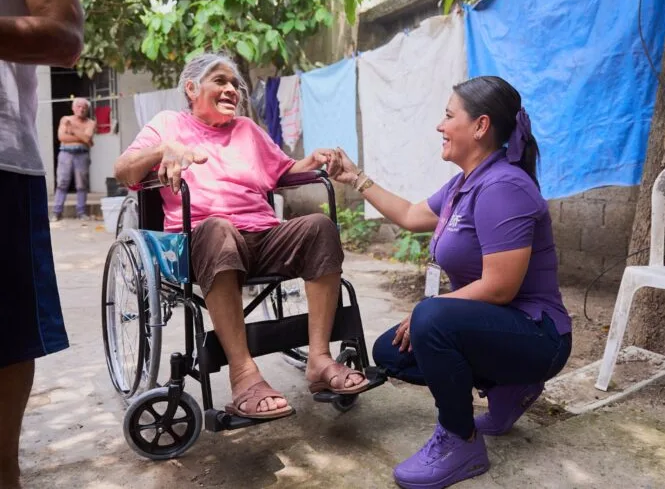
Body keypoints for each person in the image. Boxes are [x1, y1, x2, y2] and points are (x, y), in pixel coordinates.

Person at [327, 76, 572, 489]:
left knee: (431, 321)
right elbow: (409, 214)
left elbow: (500, 288)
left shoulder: (504, 186)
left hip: (537, 333)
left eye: (447, 115)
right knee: (392, 351)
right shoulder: (465, 183)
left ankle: (461, 441)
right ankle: (510, 386)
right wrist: (355, 178)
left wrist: (429, 313)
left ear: (479, 126)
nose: (440, 126)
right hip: (494, 327)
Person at [114, 52, 368, 421]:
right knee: (219, 228)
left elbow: (282, 171)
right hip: (204, 241)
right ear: (191, 88)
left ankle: (319, 359)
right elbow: (123, 171)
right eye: (220, 80)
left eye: (235, 84)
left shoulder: (247, 130)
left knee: (319, 226)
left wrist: (310, 162)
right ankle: (244, 374)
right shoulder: (168, 124)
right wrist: (161, 150)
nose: (232, 89)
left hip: (262, 236)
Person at [0, 0, 83, 487]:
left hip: (3, 158)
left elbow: (61, 35)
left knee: (6, 337)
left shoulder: (76, 122)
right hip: (53, 157)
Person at [51, 97, 95, 221]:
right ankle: (56, 212)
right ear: (73, 108)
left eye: (84, 107)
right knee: (62, 183)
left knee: (82, 185)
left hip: (82, 154)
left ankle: (81, 212)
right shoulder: (65, 119)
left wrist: (73, 130)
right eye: (78, 106)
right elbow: (62, 137)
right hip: (65, 153)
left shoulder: (90, 123)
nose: (81, 109)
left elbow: (88, 138)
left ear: (87, 110)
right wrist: (83, 136)